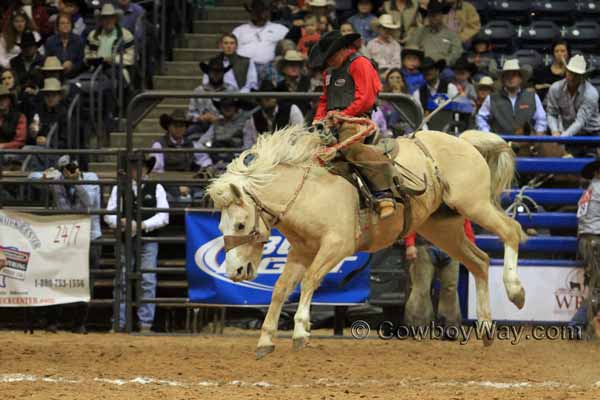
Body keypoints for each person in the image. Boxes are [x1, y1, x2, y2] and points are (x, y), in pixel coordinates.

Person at [309, 30, 397, 219]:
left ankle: (383, 193)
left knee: (350, 148)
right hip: (332, 121)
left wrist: (343, 115)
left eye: (330, 56)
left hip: (356, 119)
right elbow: (324, 100)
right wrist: (318, 119)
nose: (328, 61)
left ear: (341, 51)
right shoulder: (329, 73)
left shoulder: (360, 63)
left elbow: (365, 98)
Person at [104, 154, 169, 333]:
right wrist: (121, 223)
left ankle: (144, 323)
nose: (137, 170)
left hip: (147, 239)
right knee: (123, 280)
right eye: (134, 166)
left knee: (147, 280)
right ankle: (120, 321)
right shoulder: (120, 188)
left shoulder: (156, 187)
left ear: (147, 169)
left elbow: (164, 216)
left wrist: (141, 225)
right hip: (128, 238)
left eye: (141, 166)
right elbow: (109, 214)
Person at [42, 155, 102, 333]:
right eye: (66, 168)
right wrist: (44, 177)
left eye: (74, 167)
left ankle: (79, 323)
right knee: (57, 276)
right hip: (64, 236)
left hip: (89, 236)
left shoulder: (91, 178)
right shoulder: (57, 179)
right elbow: (32, 179)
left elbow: (88, 203)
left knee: (86, 280)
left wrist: (76, 182)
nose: (71, 170)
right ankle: (52, 322)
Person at [403, 220, 475, 332]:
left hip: (451, 247)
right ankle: (417, 328)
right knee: (422, 288)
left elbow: (464, 220)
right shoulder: (426, 202)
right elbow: (414, 219)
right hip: (425, 245)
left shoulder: (454, 203)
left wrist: (470, 246)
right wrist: (410, 244)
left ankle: (450, 328)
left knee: (449, 288)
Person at [476, 59, 547, 135]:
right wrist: (487, 133)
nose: (511, 78)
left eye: (514, 75)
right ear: (502, 79)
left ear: (521, 78)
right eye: (507, 75)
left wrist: (538, 134)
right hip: (500, 142)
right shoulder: (492, 98)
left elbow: (541, 119)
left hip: (525, 143)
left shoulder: (532, 97)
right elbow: (481, 117)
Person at [151, 109, 205, 201]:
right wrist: (176, 186)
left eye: (182, 125)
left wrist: (190, 183)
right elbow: (157, 172)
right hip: (168, 184)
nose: (179, 128)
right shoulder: (159, 145)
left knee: (201, 195)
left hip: (189, 183)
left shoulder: (193, 145)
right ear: (169, 127)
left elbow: (205, 163)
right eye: (175, 125)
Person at [546, 55, 600, 140]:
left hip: (592, 134)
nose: (572, 77)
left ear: (582, 76)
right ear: (566, 71)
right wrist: (554, 131)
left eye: (577, 74)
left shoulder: (591, 93)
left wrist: (561, 138)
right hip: (566, 132)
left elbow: (580, 121)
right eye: (570, 72)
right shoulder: (555, 88)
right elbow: (552, 113)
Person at [233, 0, 289, 80]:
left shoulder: (281, 29)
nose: (260, 15)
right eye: (257, 12)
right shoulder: (239, 30)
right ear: (251, 13)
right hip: (245, 69)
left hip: (271, 70)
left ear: (269, 12)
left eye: (263, 12)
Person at [576, 158, 600, 339]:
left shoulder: (591, 189)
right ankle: (578, 325)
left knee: (595, 284)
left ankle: (578, 324)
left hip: (587, 239)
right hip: (595, 239)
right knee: (596, 286)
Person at [194, 98, 252, 171]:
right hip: (217, 155)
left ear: (235, 107)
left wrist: (238, 155)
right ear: (220, 108)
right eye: (224, 106)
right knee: (196, 146)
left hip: (236, 156)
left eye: (230, 105)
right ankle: (208, 166)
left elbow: (248, 144)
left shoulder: (245, 123)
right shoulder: (216, 124)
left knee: (250, 153)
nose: (227, 108)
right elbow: (202, 141)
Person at [84, 4, 135, 85]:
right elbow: (87, 55)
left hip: (117, 70)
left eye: (111, 17)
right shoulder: (92, 35)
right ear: (101, 20)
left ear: (115, 19)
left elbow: (131, 57)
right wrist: (93, 60)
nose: (108, 20)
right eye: (105, 17)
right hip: (95, 70)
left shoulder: (125, 35)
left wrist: (113, 59)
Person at [187, 57, 236, 137]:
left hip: (225, 125)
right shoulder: (198, 91)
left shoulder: (231, 90)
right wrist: (201, 117)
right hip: (202, 126)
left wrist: (219, 118)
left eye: (219, 72)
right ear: (208, 73)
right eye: (213, 71)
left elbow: (237, 113)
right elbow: (190, 114)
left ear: (223, 73)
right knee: (189, 132)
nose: (216, 74)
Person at [406, 0, 463, 68]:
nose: (432, 17)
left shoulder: (452, 35)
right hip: (422, 66)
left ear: (442, 15)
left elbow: (456, 53)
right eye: (430, 15)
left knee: (448, 74)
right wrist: (418, 62)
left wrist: (444, 62)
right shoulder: (419, 31)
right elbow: (411, 48)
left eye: (436, 14)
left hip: (442, 67)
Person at [44, 13, 85, 79]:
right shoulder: (50, 41)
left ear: (72, 25)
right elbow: (46, 60)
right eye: (62, 23)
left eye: (68, 23)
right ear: (57, 26)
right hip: (55, 76)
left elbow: (81, 61)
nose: (65, 25)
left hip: (75, 76)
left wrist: (72, 66)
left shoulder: (79, 41)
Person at [0, 85, 26, 152]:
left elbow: (19, 142)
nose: (1, 101)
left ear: (9, 100)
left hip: (11, 152)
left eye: (4, 98)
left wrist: (3, 146)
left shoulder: (19, 117)